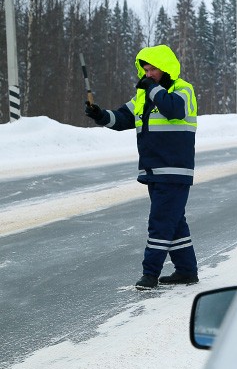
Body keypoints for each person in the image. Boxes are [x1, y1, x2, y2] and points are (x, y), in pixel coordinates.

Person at [85, 44, 199, 290]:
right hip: (152, 170)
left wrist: (154, 89)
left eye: (153, 69)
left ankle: (150, 275)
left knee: (160, 222)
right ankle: (187, 271)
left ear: (165, 68)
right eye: (145, 70)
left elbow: (173, 110)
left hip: (174, 170)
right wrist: (100, 115)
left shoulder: (183, 90)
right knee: (174, 222)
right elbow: (122, 118)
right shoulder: (144, 95)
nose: (147, 74)